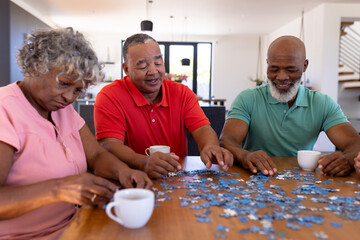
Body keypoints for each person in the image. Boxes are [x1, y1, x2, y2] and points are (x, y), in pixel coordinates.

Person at [0, 27, 152, 240]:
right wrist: (58, 189)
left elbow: (96, 155)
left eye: (78, 90)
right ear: (36, 67)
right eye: (64, 83)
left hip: (75, 227)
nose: (69, 97)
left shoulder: (62, 110)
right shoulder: (4, 110)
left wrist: (123, 172)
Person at [94, 33, 233, 179]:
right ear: (126, 69)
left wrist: (210, 146)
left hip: (175, 179)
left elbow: (203, 129)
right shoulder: (110, 96)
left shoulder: (182, 93)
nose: (153, 71)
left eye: (158, 63)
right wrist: (143, 162)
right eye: (142, 65)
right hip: (129, 179)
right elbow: (109, 144)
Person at [220, 35, 360, 177]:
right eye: (274, 69)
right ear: (267, 63)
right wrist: (244, 156)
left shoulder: (322, 104)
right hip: (253, 177)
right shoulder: (248, 98)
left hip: (301, 181)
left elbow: (355, 143)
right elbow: (227, 140)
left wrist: (347, 160)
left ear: (305, 66)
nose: (281, 77)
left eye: (291, 70)